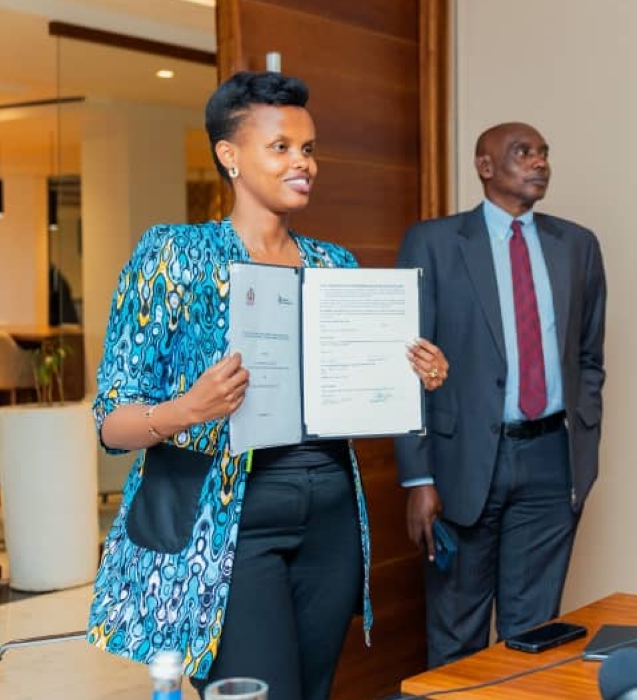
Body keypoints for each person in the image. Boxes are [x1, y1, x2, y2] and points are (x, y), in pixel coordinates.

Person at [87, 71, 448, 700]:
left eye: (307, 149)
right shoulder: (174, 255)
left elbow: (358, 391)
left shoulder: (335, 265)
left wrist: (415, 374)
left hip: (330, 516)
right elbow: (111, 423)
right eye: (280, 147)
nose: (302, 163)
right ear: (230, 155)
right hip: (227, 523)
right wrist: (187, 408)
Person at [395, 122, 607, 667]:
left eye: (544, 153)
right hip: (460, 463)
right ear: (485, 166)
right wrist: (418, 478)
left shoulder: (577, 245)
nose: (539, 162)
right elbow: (408, 365)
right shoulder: (435, 242)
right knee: (457, 631)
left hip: (549, 461)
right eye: (523, 152)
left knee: (533, 632)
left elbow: (588, 358)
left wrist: (583, 440)